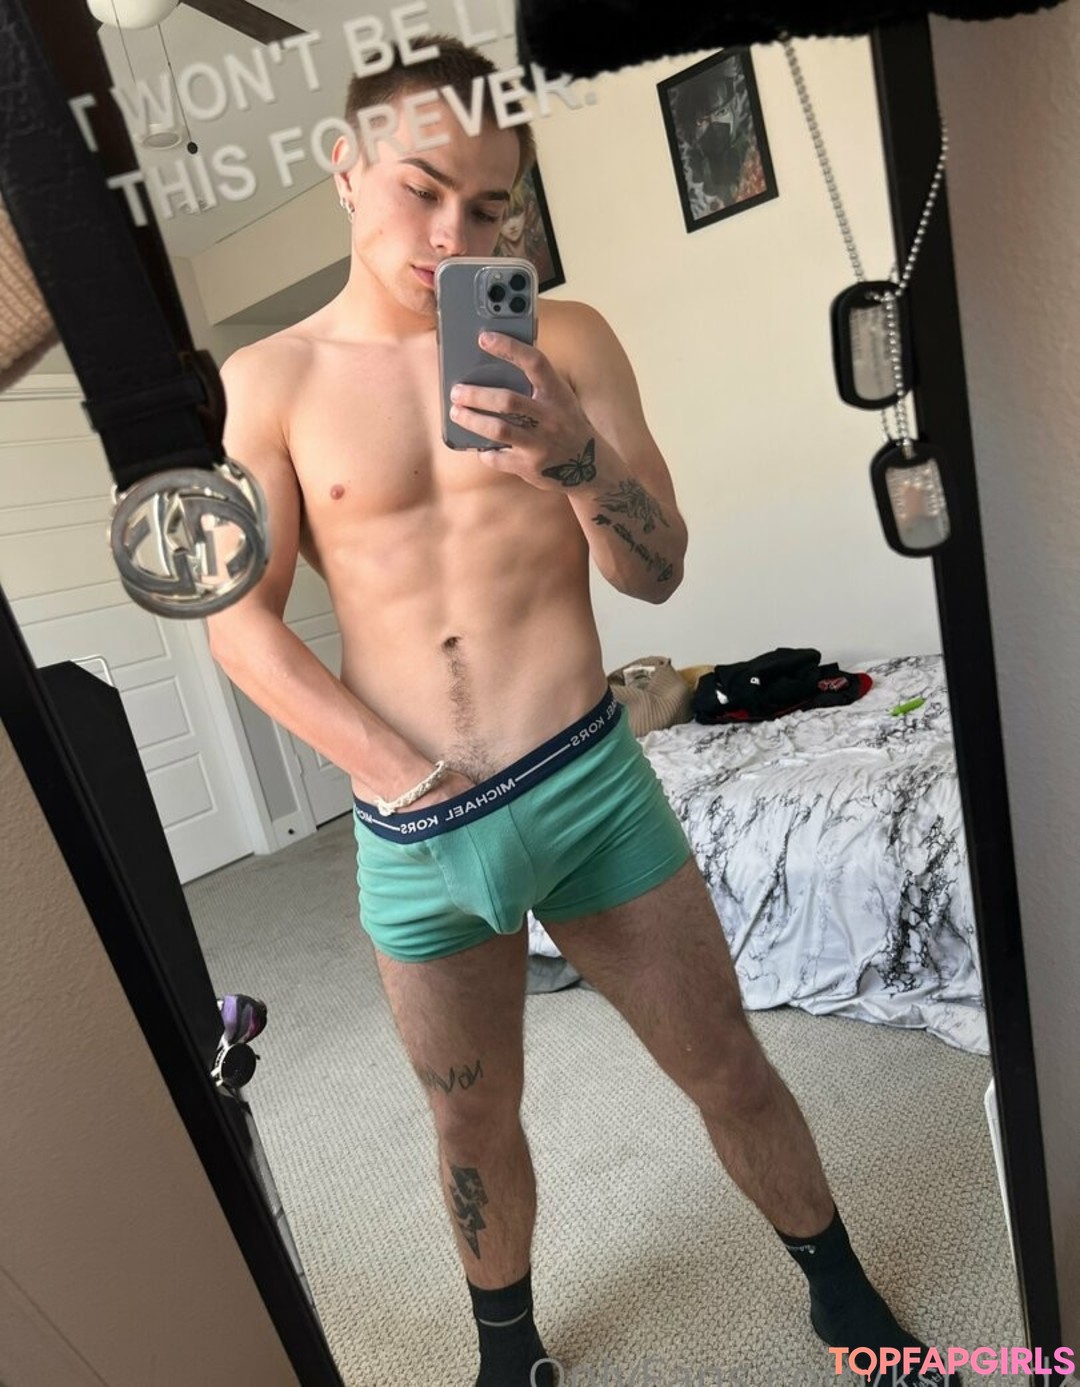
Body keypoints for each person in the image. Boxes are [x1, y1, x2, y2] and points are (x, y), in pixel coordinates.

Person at [206, 35, 953, 1387]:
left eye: (488, 206)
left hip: (591, 787)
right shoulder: (269, 383)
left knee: (727, 1066)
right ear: (345, 168)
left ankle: (841, 1295)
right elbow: (237, 626)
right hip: (415, 834)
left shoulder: (566, 339)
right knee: (470, 1125)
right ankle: (510, 1357)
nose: (454, 234)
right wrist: (402, 776)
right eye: (422, 189)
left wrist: (573, 457)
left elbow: (657, 573)